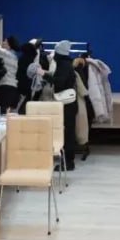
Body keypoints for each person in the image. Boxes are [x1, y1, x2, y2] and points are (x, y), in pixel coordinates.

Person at [37, 40, 79, 170]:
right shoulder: (66, 64)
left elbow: (59, 82)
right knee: (67, 132)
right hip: (68, 103)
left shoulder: (63, 65)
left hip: (67, 104)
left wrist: (44, 74)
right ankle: (67, 161)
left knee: (67, 133)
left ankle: (68, 163)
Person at [0, 35, 21, 111]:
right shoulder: (15, 57)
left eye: (5, 41)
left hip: (5, 88)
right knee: (10, 113)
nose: (2, 43)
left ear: (9, 46)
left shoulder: (5, 54)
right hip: (14, 88)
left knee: (3, 114)